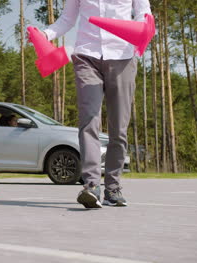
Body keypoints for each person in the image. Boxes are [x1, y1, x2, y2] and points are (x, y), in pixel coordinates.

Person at [35, 0, 152, 208]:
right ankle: (91, 185)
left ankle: (113, 188)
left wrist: (143, 29)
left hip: (123, 56)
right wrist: (45, 34)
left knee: (119, 128)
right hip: (86, 55)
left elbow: (143, 13)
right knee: (89, 119)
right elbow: (67, 19)